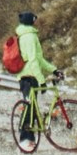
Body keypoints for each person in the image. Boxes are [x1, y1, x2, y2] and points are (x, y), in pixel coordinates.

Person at [14, 10, 53, 144]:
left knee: (32, 108)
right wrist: (42, 81)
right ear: (31, 21)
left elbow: (39, 59)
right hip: (28, 76)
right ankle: (25, 139)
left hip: (28, 76)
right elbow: (33, 61)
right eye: (35, 20)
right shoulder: (29, 37)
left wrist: (54, 70)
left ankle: (30, 138)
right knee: (29, 108)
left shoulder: (27, 35)